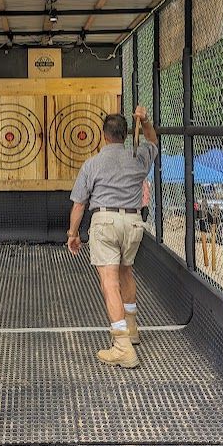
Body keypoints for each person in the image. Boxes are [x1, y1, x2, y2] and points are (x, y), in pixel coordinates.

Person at [67, 106, 158, 368]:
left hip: (105, 222)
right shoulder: (138, 157)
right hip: (133, 222)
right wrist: (145, 120)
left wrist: (73, 234)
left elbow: (79, 205)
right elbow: (152, 140)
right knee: (126, 272)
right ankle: (131, 329)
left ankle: (122, 347)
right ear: (126, 135)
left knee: (109, 282)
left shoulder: (93, 164)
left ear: (104, 136)